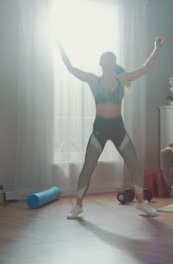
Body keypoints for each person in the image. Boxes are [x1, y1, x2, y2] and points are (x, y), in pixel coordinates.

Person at [59, 37, 165, 219]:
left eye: (112, 61)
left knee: (135, 165)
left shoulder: (122, 79)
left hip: (118, 129)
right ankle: (78, 206)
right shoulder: (93, 80)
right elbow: (71, 69)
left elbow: (145, 68)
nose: (109, 63)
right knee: (87, 168)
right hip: (100, 129)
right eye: (106, 60)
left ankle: (141, 202)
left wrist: (156, 48)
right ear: (101, 63)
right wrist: (61, 49)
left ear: (114, 63)